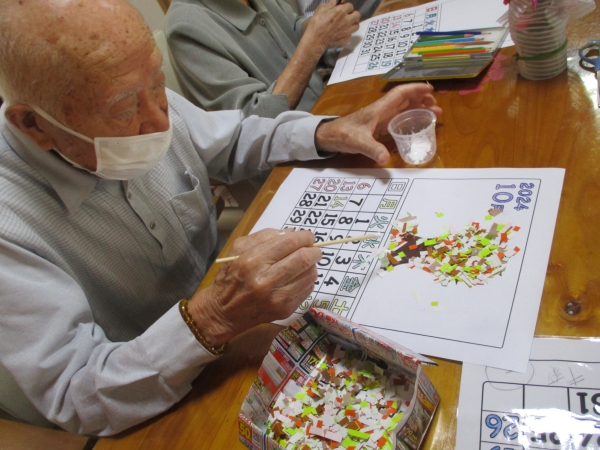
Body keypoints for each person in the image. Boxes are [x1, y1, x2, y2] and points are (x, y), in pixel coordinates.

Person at [0, 0, 440, 436]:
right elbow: (76, 394)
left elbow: (233, 139)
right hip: (158, 399)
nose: (160, 122)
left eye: (158, 83)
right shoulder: (10, 222)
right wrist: (212, 317)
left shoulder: (135, 88)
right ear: (33, 125)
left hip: (246, 334)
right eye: (123, 110)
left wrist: (329, 130)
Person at [165, 0, 361, 118]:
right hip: (289, 155)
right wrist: (315, 40)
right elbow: (255, 121)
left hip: (325, 105)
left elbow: (290, 28)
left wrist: (320, 25)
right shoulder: (185, 26)